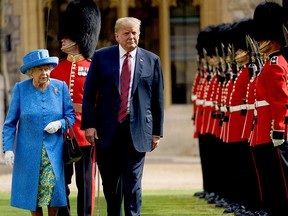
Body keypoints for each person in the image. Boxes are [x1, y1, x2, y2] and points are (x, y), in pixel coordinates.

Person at [81, 17, 164, 215]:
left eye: (135, 32)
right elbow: (89, 94)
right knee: (111, 188)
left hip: (137, 132)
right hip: (107, 131)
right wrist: (89, 125)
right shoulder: (101, 57)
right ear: (116, 35)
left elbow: (157, 99)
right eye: (126, 33)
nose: (131, 37)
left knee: (133, 184)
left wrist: (157, 132)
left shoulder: (152, 60)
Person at [2, 49, 76, 216]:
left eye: (47, 68)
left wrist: (59, 124)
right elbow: (10, 123)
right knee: (32, 195)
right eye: (40, 69)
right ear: (31, 72)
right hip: (28, 153)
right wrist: (7, 149)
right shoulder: (21, 89)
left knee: (53, 194)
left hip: (53, 153)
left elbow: (71, 116)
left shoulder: (60, 87)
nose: (45, 73)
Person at [50, 1, 101, 215]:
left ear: (79, 39)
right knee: (60, 181)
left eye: (68, 36)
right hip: (61, 132)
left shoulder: (92, 68)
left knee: (86, 182)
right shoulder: (55, 70)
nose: (63, 39)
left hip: (84, 133)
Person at [249, 2, 288, 215]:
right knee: (269, 176)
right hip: (263, 127)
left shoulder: (275, 63)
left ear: (271, 40)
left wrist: (279, 129)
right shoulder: (271, 62)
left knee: (276, 178)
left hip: (271, 128)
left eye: (262, 39)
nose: (259, 42)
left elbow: (279, 100)